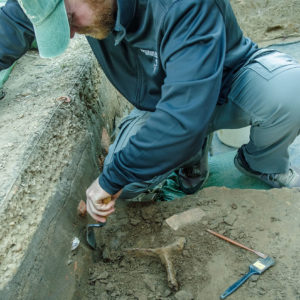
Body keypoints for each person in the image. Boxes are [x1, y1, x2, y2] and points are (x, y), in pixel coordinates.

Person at [1, 0, 300, 222]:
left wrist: (111, 178)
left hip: (231, 81)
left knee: (290, 90)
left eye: (69, 20)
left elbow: (183, 116)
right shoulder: (64, 3)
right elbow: (12, 25)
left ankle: (260, 164)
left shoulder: (182, 5)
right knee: (128, 181)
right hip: (163, 106)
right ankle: (189, 159)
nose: (70, 35)